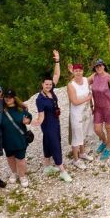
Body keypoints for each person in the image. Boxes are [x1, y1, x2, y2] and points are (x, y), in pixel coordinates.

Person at [31, 51, 72, 182]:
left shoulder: (51, 90)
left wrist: (57, 61)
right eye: (46, 84)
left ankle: (47, 166)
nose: (48, 86)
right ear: (42, 85)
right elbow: (41, 116)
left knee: (47, 142)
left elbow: (56, 74)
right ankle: (62, 170)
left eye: (50, 84)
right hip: (48, 124)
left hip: (55, 121)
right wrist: (35, 122)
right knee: (55, 144)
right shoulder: (40, 99)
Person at [0, 90, 34, 186]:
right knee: (10, 157)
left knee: (20, 158)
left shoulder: (21, 109)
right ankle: (14, 173)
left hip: (20, 139)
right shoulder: (0, 110)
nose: (8, 99)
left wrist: (28, 121)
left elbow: (29, 117)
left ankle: (22, 176)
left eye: (10, 97)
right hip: (6, 140)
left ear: (14, 98)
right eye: (6, 97)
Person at [89, 59, 110, 161]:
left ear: (104, 66)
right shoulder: (94, 77)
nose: (99, 68)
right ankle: (104, 141)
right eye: (97, 67)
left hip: (108, 106)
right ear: (95, 69)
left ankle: (109, 147)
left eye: (100, 66)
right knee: (97, 129)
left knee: (108, 127)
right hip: (97, 107)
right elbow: (82, 81)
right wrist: (73, 72)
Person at [66, 62, 95, 169]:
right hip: (77, 114)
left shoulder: (86, 80)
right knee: (76, 136)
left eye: (79, 70)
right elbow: (74, 101)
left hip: (86, 112)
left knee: (83, 133)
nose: (78, 72)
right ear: (73, 72)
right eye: (75, 71)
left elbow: (95, 75)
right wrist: (87, 99)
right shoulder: (71, 85)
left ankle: (82, 153)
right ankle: (75, 159)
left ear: (82, 71)